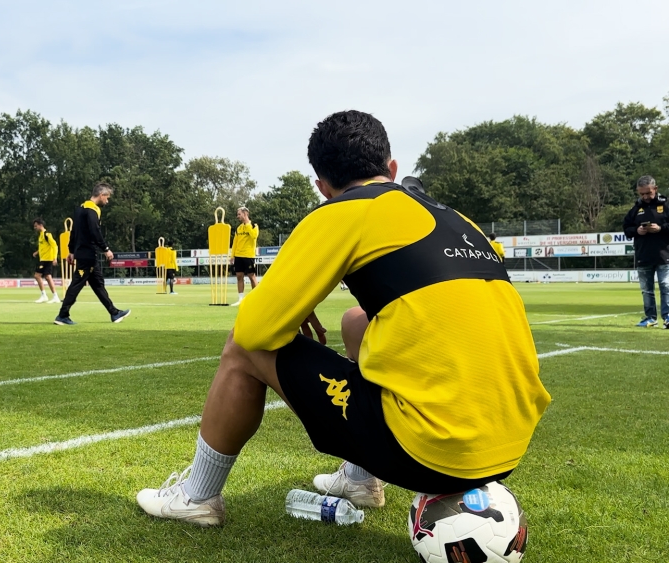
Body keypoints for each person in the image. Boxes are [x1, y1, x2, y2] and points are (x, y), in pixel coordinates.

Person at [136, 110, 551, 528]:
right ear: (391, 168)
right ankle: (359, 480)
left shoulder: (341, 211)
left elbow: (253, 330)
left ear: (323, 187)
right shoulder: (457, 218)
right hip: (512, 444)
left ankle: (196, 497)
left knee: (243, 348)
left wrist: (288, 303)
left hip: (435, 453)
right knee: (356, 320)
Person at [54, 183, 130, 325]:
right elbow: (95, 232)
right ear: (101, 195)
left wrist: (71, 250)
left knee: (98, 284)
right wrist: (106, 249)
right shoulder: (92, 210)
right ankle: (62, 315)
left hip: (83, 253)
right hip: (87, 254)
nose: (107, 201)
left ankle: (114, 313)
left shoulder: (80, 209)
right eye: (107, 198)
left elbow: (74, 232)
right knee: (77, 283)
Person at [623, 175, 669, 328]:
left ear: (655, 189)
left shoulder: (666, 204)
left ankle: (668, 317)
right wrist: (637, 230)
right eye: (642, 194)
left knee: (666, 287)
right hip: (643, 255)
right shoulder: (636, 208)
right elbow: (626, 229)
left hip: (664, 254)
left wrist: (661, 228)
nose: (645, 197)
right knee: (646, 290)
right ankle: (650, 318)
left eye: (648, 193)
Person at [230, 207, 259, 306]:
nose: (237, 216)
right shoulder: (238, 228)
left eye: (239, 214)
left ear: (245, 214)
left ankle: (256, 298)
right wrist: (232, 255)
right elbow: (235, 242)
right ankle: (240, 299)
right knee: (239, 276)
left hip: (248, 255)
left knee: (251, 276)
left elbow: (254, 236)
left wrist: (247, 225)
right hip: (238, 255)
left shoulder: (254, 225)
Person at [32, 219, 61, 304]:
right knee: (42, 276)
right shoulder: (40, 235)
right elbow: (44, 247)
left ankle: (51, 296)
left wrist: (55, 258)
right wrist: (37, 252)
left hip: (48, 259)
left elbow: (54, 246)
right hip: (43, 259)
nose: (35, 227)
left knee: (43, 276)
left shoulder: (47, 234)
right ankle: (47, 295)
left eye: (36, 225)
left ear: (40, 225)